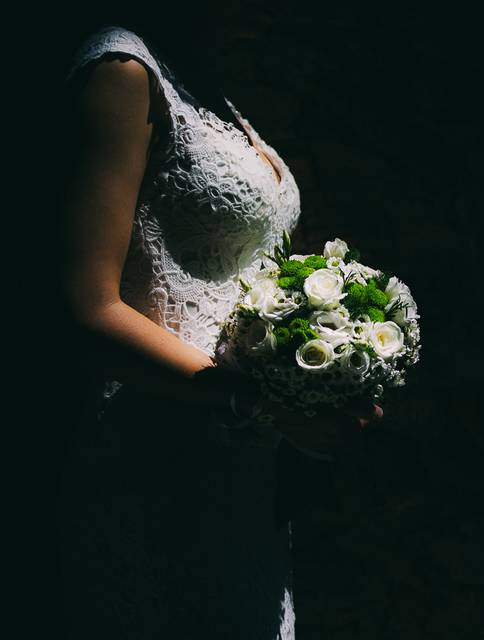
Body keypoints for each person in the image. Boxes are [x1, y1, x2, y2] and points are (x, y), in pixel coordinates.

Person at [52, 22, 380, 638]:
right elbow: (84, 305)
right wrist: (256, 404)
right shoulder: (123, 72)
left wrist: (322, 376)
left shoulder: (214, 92)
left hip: (242, 472)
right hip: (149, 452)